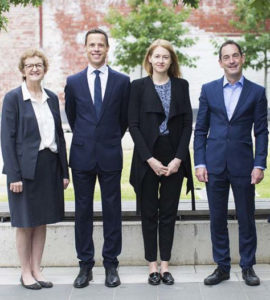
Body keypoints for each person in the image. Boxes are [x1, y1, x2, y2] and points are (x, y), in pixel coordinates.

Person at [194, 40, 268, 286]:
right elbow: (200, 129)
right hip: (214, 164)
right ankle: (222, 266)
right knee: (217, 218)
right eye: (227, 57)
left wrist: (260, 164)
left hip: (244, 165)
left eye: (235, 55)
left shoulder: (257, 92)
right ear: (220, 62)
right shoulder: (209, 89)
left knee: (246, 216)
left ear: (242, 58)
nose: (232, 60)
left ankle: (248, 266)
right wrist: (199, 162)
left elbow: (262, 132)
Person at [65, 28, 130, 288]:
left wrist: (109, 137)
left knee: (112, 211)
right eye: (91, 44)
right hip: (81, 155)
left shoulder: (122, 81)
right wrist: (87, 137)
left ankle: (111, 264)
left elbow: (124, 118)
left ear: (107, 48)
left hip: (110, 154)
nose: (96, 49)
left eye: (100, 44)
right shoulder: (73, 81)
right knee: (83, 212)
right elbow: (72, 116)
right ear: (85, 48)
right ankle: (85, 265)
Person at [1, 49, 69, 290]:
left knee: (42, 221)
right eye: (29, 65)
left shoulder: (51, 97)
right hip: (24, 169)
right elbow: (7, 139)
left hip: (49, 166)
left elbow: (59, 137)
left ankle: (37, 269)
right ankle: (25, 272)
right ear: (22, 70)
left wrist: (64, 171)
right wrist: (14, 174)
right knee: (25, 222)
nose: (34, 69)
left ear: (44, 68)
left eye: (38, 65)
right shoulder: (13, 98)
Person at [128, 39, 194, 286]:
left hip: (174, 154)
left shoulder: (181, 85)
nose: (161, 60)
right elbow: (133, 126)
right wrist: (150, 159)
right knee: (149, 213)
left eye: (165, 57)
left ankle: (165, 266)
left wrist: (178, 158)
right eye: (156, 56)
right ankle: (151, 267)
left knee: (168, 212)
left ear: (171, 61)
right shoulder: (137, 87)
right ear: (149, 60)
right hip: (147, 156)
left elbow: (188, 124)